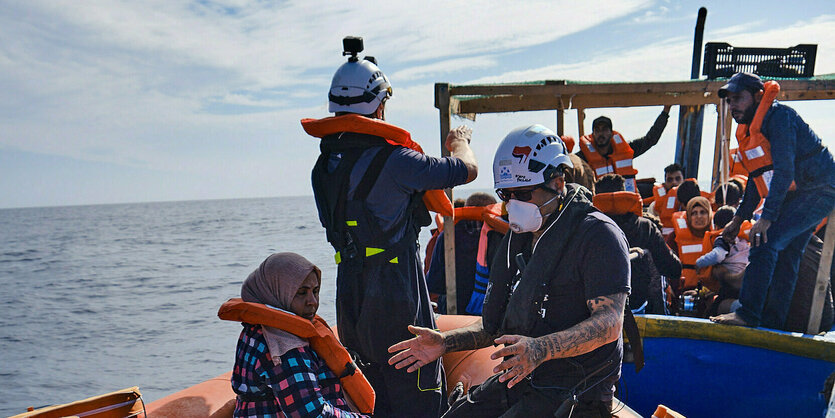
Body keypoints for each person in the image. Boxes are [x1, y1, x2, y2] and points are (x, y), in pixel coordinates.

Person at [389, 125, 630, 417]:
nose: (513, 204)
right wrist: (444, 342)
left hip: (577, 391)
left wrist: (541, 349)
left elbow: (609, 323)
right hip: (520, 380)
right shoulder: (517, 239)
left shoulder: (599, 235)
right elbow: (494, 327)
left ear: (557, 182)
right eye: (506, 194)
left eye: (524, 193)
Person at [304, 38, 477, 416]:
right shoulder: (399, 160)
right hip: (396, 293)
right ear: (380, 104)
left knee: (370, 393)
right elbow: (467, 170)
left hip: (350, 292)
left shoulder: (323, 169)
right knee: (416, 388)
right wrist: (460, 141)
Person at [710, 72, 835, 329]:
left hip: (821, 188)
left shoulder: (780, 117)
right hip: (800, 193)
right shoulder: (750, 130)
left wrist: (765, 219)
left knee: (763, 240)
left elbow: (784, 171)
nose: (733, 106)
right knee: (788, 254)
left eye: (738, 99)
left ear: (758, 96)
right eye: (730, 101)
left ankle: (748, 313)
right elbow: (757, 179)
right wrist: (738, 219)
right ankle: (774, 324)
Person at [230, 253, 370, 417]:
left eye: (315, 291)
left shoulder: (257, 328)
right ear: (278, 291)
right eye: (301, 293)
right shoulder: (283, 347)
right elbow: (312, 414)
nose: (312, 301)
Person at [594, 174, 681, 314]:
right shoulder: (646, 227)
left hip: (595, 309)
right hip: (635, 307)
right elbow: (673, 269)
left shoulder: (587, 227)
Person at [426, 192, 499, 314]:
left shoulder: (448, 235)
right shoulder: (503, 235)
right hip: (492, 308)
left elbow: (434, 283)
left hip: (455, 306)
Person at [578, 105, 673, 193]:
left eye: (604, 130)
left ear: (611, 133)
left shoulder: (625, 150)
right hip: (600, 205)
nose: (601, 134)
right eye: (597, 130)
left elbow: (650, 139)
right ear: (593, 134)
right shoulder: (583, 158)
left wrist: (665, 112)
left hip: (626, 202)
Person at [696, 206, 750, 315]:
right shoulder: (744, 241)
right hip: (745, 284)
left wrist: (699, 262)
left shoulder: (723, 238)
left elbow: (718, 256)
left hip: (729, 285)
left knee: (712, 311)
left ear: (715, 226)